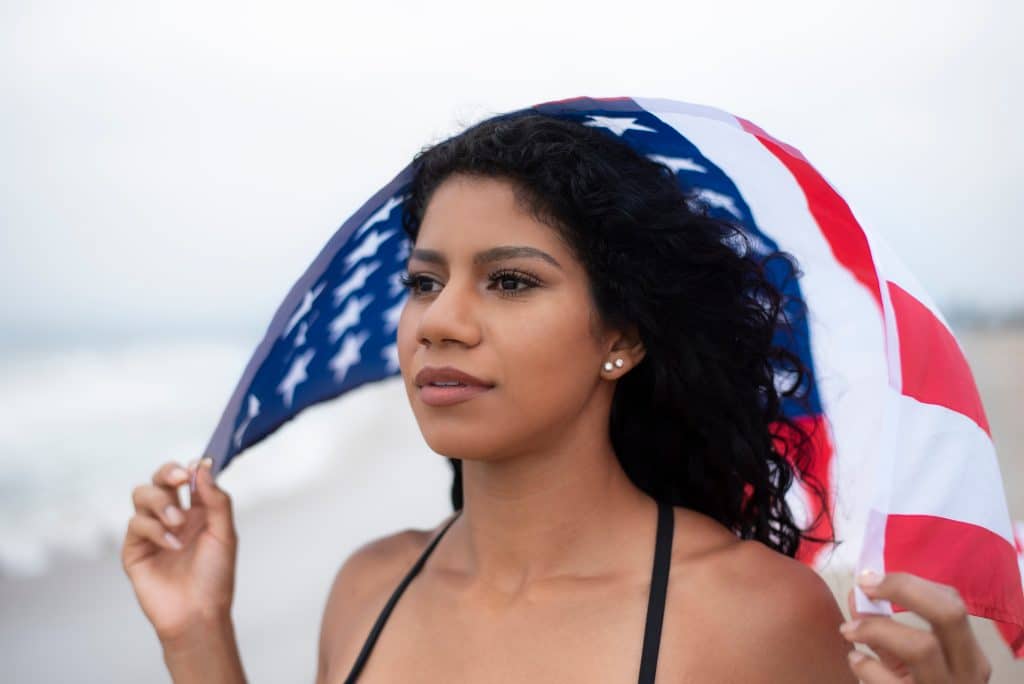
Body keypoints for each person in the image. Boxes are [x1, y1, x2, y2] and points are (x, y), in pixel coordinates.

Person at [122, 113, 994, 682]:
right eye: (424, 282)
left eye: (509, 281)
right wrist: (196, 636)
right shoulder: (367, 587)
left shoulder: (753, 617)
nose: (440, 321)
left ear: (622, 337)